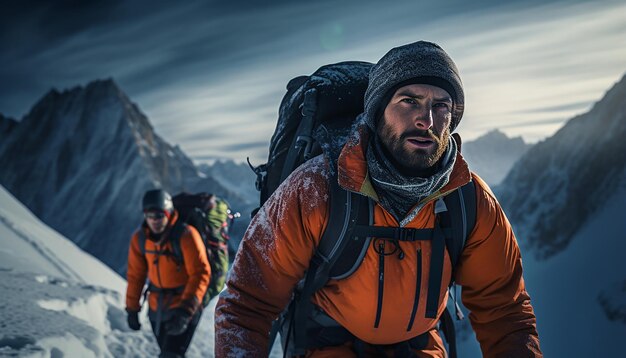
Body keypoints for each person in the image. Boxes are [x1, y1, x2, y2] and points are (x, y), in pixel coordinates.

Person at [215, 41, 542, 357]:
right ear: (377, 112)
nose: (425, 120)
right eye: (409, 101)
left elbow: (504, 313)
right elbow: (248, 303)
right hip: (325, 346)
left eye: (440, 105)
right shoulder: (316, 189)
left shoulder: (469, 199)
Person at [126, 189, 210, 358]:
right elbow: (136, 276)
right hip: (157, 310)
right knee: (168, 353)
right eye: (149, 216)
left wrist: (185, 311)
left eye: (159, 215)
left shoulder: (186, 235)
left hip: (184, 307)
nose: (154, 221)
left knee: (170, 355)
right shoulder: (140, 240)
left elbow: (200, 273)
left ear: (169, 213)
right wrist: (132, 308)